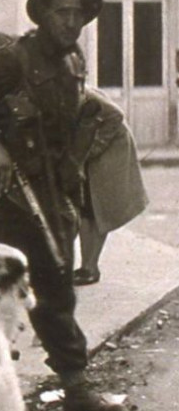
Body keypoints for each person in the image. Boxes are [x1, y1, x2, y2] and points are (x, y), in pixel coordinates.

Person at [0, 0, 131, 411]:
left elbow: (81, 117)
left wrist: (72, 165)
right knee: (0, 295)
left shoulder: (72, 62)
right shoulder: (12, 61)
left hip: (45, 194)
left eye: (79, 15)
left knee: (57, 286)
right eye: (62, 12)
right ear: (43, 15)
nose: (71, 22)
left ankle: (77, 388)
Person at [73, 88, 148, 285]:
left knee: (98, 207)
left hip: (112, 148)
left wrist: (96, 146)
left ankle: (90, 267)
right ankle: (86, 266)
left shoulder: (80, 90)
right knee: (86, 208)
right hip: (91, 150)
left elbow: (115, 114)